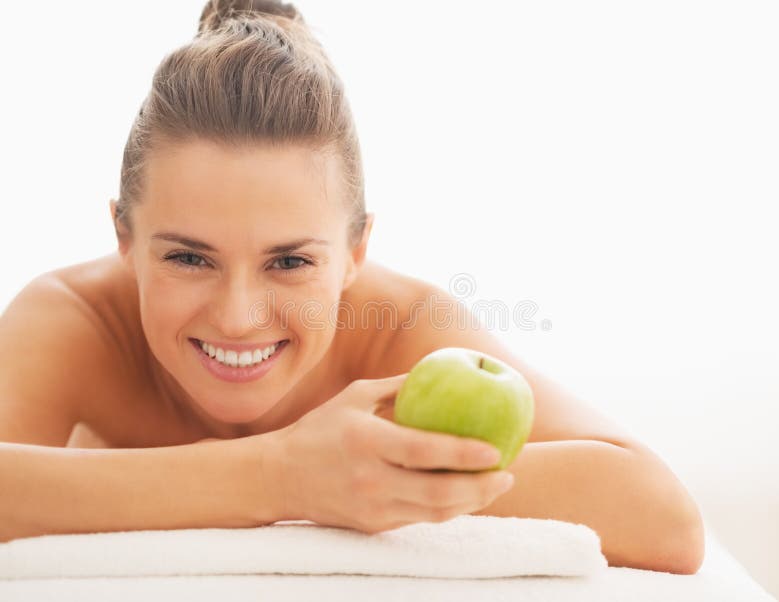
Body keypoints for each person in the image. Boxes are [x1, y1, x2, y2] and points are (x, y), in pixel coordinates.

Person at [0, 0, 703, 574]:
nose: (239, 317)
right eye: (189, 258)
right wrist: (282, 477)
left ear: (356, 249)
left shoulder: (403, 329)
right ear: (123, 235)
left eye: (289, 262)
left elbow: (664, 518)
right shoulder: (78, 320)